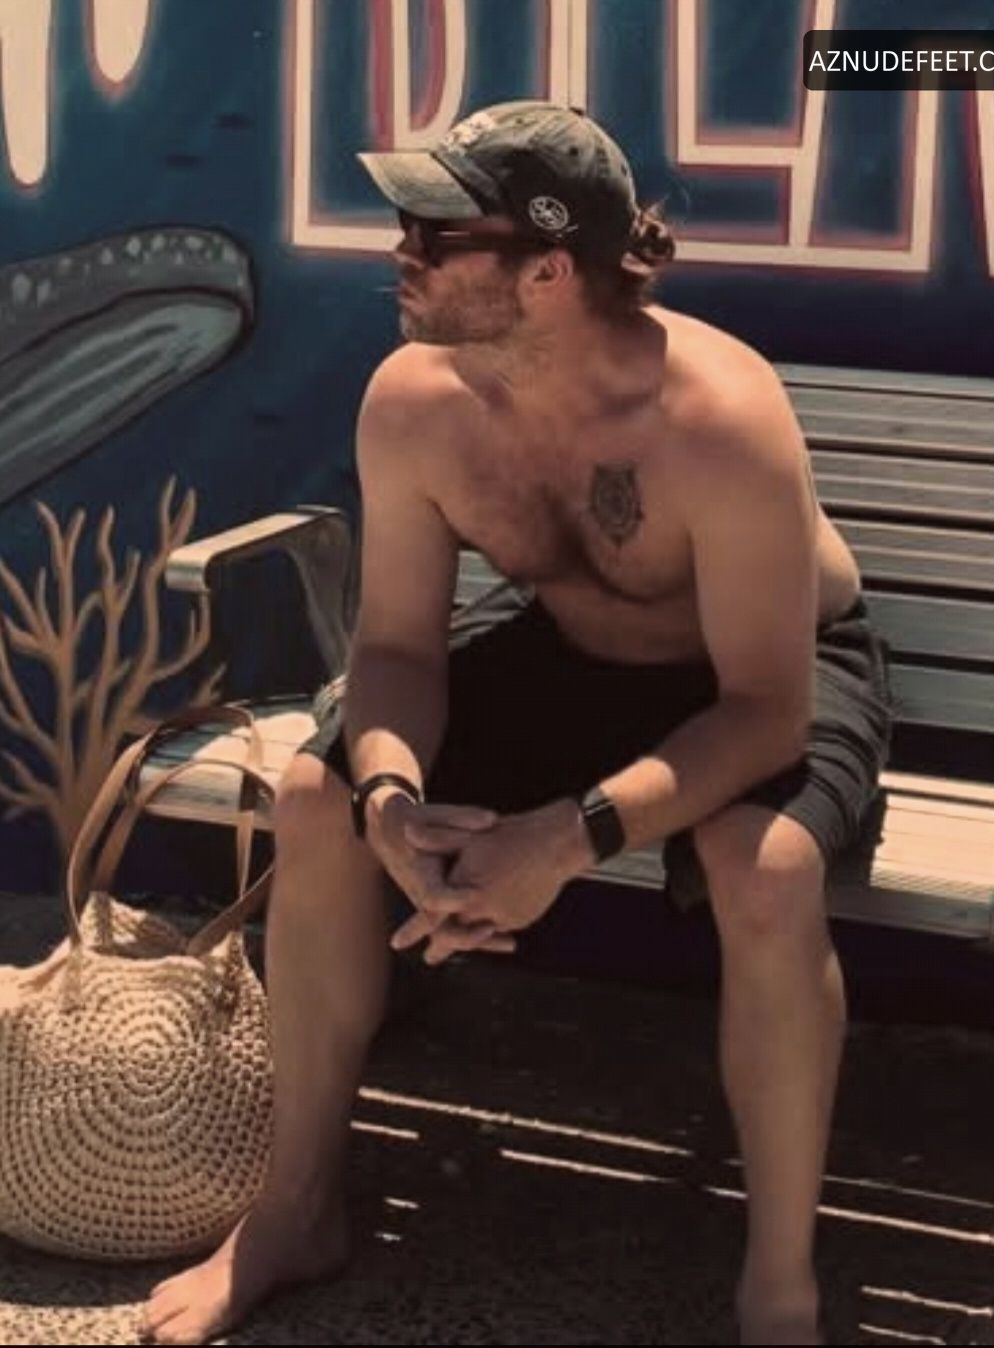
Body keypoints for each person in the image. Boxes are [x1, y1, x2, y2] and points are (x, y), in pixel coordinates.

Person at [141, 100, 892, 1347]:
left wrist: (564, 839)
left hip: (761, 673)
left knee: (762, 870)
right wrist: (392, 801)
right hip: (573, 652)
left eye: (439, 233)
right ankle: (296, 1208)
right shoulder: (415, 400)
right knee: (319, 800)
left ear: (549, 270)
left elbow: (767, 715)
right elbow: (394, 651)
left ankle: (778, 1288)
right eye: (405, 223)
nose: (404, 251)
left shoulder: (715, 413)